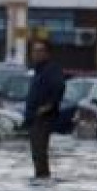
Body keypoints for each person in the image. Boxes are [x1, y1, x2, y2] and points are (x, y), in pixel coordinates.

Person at [22, 39, 65, 179]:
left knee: (40, 153)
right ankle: (40, 181)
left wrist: (48, 106)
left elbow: (59, 87)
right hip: (34, 118)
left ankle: (42, 181)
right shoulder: (38, 70)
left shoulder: (51, 69)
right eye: (34, 51)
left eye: (40, 51)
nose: (36, 54)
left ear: (47, 53)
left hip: (43, 118)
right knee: (36, 154)